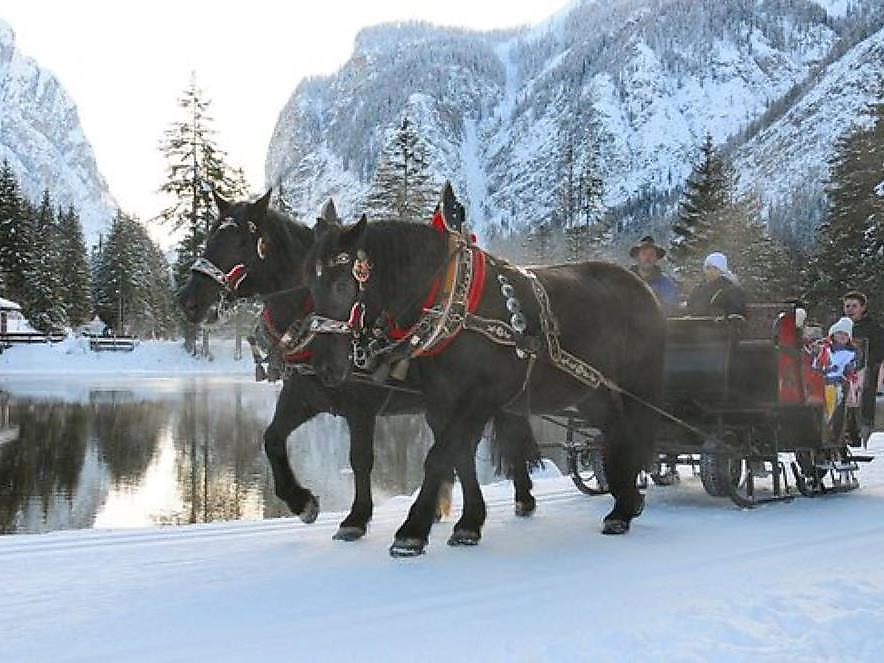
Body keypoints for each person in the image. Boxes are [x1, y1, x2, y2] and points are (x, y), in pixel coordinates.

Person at [841, 291, 884, 444]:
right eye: (847, 306)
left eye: (854, 306)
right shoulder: (841, 327)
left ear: (863, 307)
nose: (850, 309)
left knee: (860, 401)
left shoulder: (873, 329)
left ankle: (860, 430)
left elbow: (878, 353)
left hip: (866, 374)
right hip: (842, 373)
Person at [686, 252, 747, 317]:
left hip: (717, 326)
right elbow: (690, 307)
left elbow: (736, 311)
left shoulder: (731, 289)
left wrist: (719, 313)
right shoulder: (699, 289)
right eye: (708, 268)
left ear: (722, 270)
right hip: (695, 324)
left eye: (715, 268)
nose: (711, 271)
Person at [628, 236, 680, 312]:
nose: (647, 258)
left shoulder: (666, 284)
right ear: (637, 257)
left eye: (651, 254)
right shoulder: (626, 281)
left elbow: (671, 307)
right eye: (644, 254)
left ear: (656, 258)